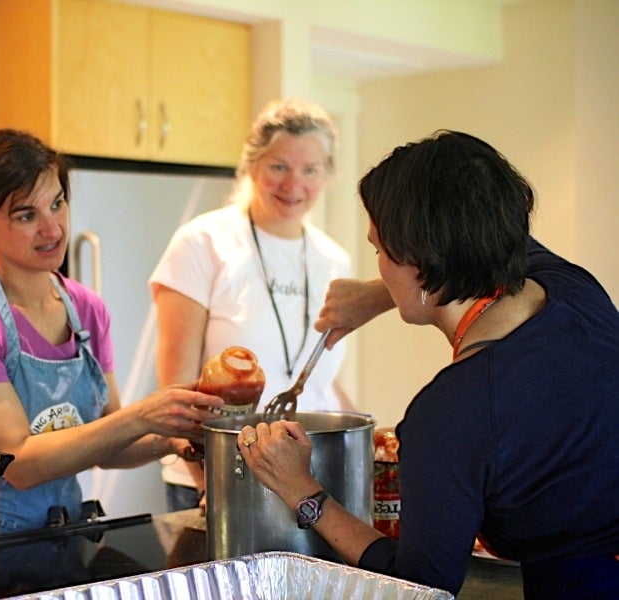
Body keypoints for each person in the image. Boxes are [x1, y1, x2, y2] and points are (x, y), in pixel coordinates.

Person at [237, 130, 619, 598]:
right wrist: (377, 296)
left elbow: (420, 586)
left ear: (421, 260)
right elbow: (479, 226)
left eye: (379, 251)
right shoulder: (570, 286)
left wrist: (302, 490)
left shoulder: (451, 412)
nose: (379, 267)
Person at [0, 129, 224, 534]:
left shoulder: (85, 309)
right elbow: (17, 463)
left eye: (57, 204)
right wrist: (143, 415)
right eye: (26, 215)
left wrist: (172, 438)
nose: (53, 229)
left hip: (60, 535)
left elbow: (109, 445)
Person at [149, 98, 355, 512]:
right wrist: (206, 481)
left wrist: (369, 442)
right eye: (279, 166)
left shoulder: (333, 259)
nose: (293, 184)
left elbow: (319, 379)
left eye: (310, 170)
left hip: (310, 474)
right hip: (224, 471)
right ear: (252, 165)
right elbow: (175, 384)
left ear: (327, 173)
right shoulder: (203, 242)